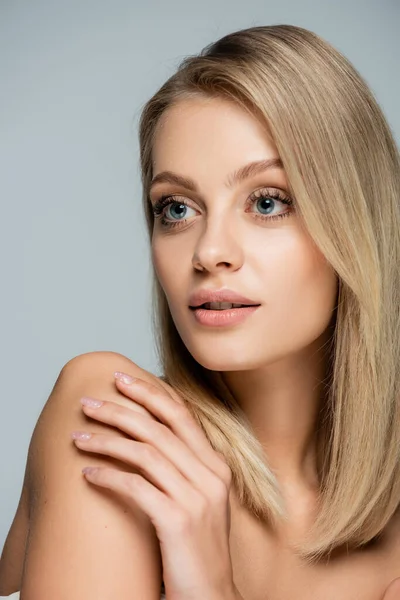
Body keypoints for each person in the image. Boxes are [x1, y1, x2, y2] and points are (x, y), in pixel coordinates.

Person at [1, 23, 400, 600]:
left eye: (267, 202)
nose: (210, 251)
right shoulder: (120, 429)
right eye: (177, 208)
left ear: (356, 222)